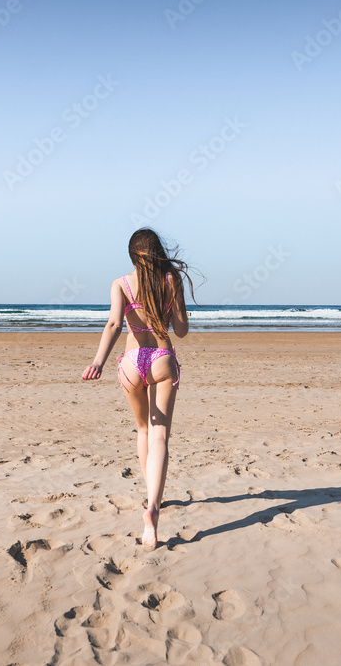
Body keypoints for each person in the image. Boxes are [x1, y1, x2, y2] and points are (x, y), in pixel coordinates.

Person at [81, 228, 199, 548]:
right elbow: (182, 330)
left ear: (132, 256)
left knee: (144, 432)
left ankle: (151, 495)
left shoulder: (120, 283)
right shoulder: (170, 282)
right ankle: (153, 510)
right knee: (160, 435)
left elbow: (114, 325)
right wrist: (177, 304)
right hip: (162, 358)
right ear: (159, 252)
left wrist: (98, 362)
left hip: (132, 362)